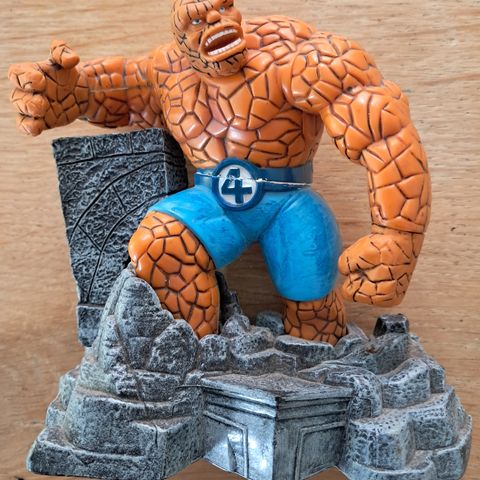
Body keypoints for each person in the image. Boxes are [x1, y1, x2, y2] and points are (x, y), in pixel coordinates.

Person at [8, 0, 431, 345]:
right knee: (161, 244)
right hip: (212, 201)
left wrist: (398, 234)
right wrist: (61, 94)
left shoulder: (295, 54)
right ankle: (197, 364)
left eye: (224, 8)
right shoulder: (165, 71)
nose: (216, 23)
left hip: (289, 200)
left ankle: (320, 370)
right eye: (196, 21)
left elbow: (384, 133)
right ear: (181, 38)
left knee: (315, 309)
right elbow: (105, 92)